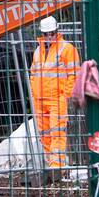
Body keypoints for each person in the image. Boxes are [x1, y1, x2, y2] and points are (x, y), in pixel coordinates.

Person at [30, 16, 81, 172]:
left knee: (57, 133)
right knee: (45, 135)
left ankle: (57, 168)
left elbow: (74, 74)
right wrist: (33, 93)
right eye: (46, 34)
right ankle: (50, 167)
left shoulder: (67, 49)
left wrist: (64, 96)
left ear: (56, 32)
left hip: (56, 100)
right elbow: (33, 73)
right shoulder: (38, 50)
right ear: (42, 34)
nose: (49, 36)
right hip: (40, 100)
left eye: (52, 33)